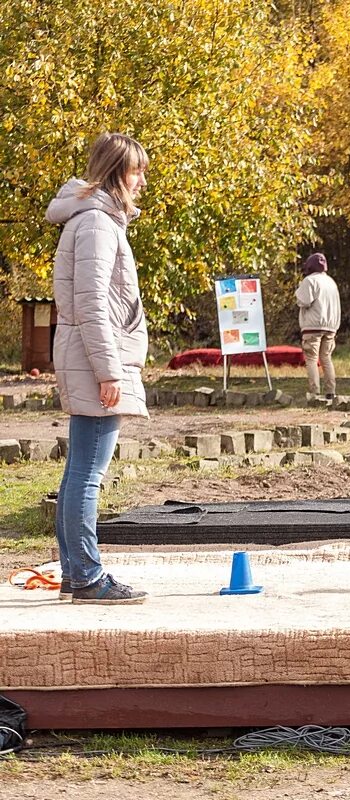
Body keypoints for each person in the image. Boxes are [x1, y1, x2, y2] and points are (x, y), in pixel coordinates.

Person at [46, 132, 150, 604]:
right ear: (115, 173)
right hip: (96, 361)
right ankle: (87, 576)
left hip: (91, 358)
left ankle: (76, 575)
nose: (142, 181)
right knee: (87, 474)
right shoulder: (97, 224)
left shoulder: (98, 220)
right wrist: (110, 370)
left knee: (78, 472)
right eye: (136, 171)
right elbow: (91, 304)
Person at [295, 252, 341, 399]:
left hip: (313, 325)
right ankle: (330, 391)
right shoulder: (331, 282)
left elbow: (303, 301)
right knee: (326, 357)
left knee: (311, 358)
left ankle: (314, 391)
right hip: (331, 325)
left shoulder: (309, 281)